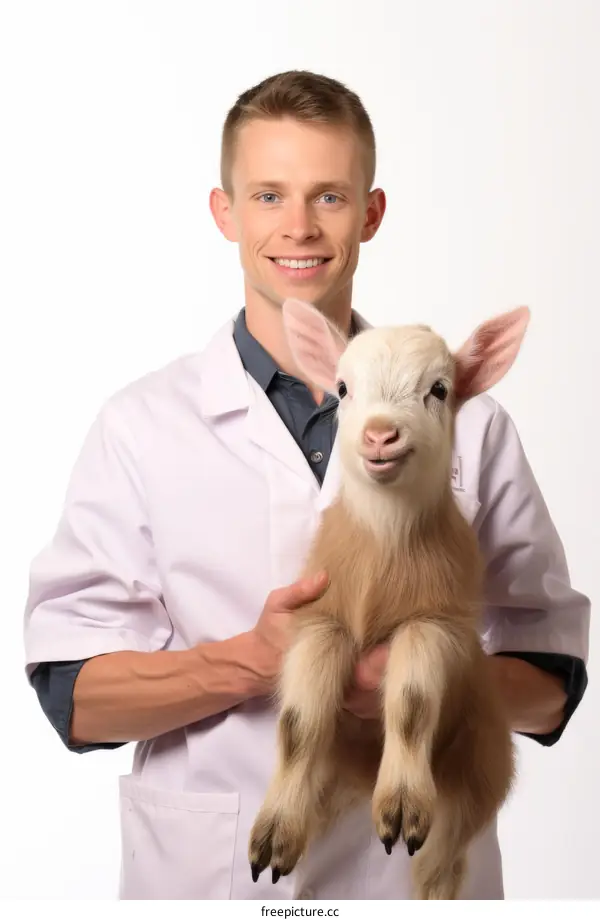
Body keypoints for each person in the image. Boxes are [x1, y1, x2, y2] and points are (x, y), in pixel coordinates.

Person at [23, 70, 590, 901]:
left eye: (328, 197)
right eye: (267, 196)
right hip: (217, 880)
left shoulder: (470, 425)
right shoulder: (141, 427)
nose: (297, 227)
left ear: (370, 213)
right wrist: (250, 663)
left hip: (417, 887)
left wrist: (419, 675)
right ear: (226, 213)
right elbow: (72, 696)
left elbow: (550, 687)